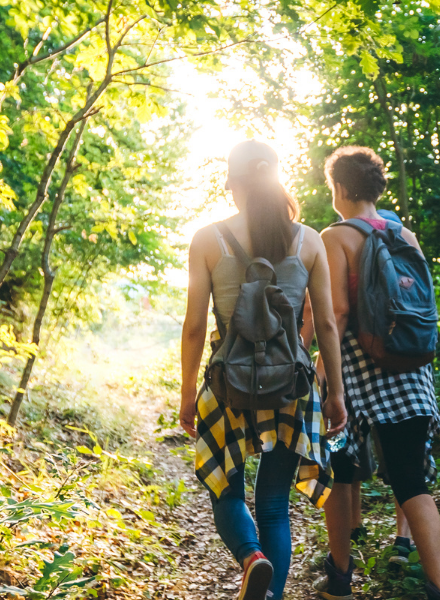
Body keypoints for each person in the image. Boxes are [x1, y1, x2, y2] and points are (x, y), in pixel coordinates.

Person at [180, 140, 348, 600]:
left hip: (227, 384)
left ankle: (252, 558)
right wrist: (334, 392)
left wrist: (186, 392)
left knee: (225, 491)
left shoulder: (208, 239)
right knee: (274, 504)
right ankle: (270, 597)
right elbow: (328, 323)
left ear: (233, 185)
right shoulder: (309, 240)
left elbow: (195, 327)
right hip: (292, 385)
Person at [313, 146, 440, 600]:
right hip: (413, 378)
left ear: (339, 188)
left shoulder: (335, 237)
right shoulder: (406, 236)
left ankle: (340, 578)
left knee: (340, 471)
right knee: (410, 480)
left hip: (355, 383)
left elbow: (336, 316)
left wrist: (322, 374)